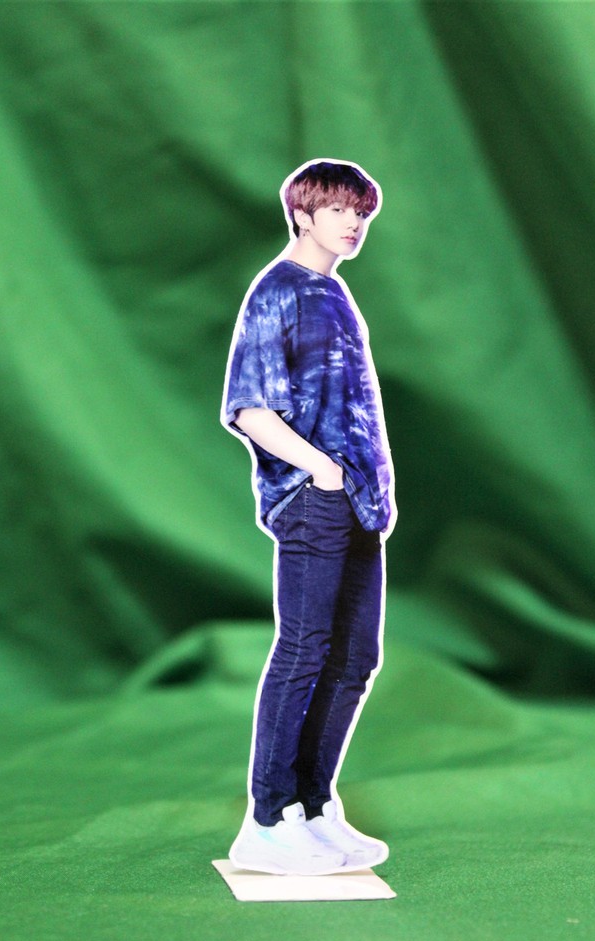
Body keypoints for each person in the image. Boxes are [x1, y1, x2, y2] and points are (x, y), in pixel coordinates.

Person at [220, 159, 396, 875]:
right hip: (314, 499)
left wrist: (362, 487)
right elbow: (250, 408)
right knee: (303, 649)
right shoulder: (278, 292)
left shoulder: (334, 291)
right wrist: (320, 471)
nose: (354, 224)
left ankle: (315, 807)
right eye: (340, 210)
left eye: (361, 213)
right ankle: (268, 820)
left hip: (358, 503)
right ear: (303, 213)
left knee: (356, 658)